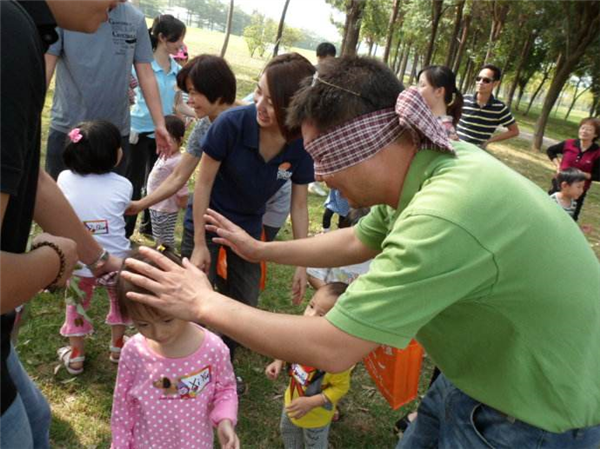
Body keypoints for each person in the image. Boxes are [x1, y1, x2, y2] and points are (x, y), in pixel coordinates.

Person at [121, 56, 600, 449]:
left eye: (326, 160)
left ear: (366, 146)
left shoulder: (444, 215)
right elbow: (358, 240)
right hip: (480, 378)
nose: (322, 177)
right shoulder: (431, 164)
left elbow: (333, 345)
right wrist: (258, 250)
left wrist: (204, 303)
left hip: (533, 417)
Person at [0, 1, 127, 447]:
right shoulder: (9, 33)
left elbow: (27, 175)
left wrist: (100, 259)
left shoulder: (23, 29)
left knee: (36, 421)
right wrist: (53, 261)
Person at [186, 53, 315, 369]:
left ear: (294, 106)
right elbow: (202, 184)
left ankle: (222, 365)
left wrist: (302, 263)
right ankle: (190, 363)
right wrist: (201, 243)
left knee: (244, 303)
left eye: (272, 101)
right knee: (197, 296)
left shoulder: (301, 145)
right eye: (259, 92)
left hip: (247, 228)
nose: (260, 105)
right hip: (207, 218)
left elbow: (299, 205)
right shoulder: (231, 124)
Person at [112, 247, 239, 449]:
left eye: (167, 319)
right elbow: (123, 405)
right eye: (143, 324)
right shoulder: (133, 351)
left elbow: (225, 389)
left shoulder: (213, 349)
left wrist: (225, 420)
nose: (159, 333)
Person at [44, 1, 172, 180]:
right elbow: (46, 65)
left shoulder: (134, 18)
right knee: (60, 196)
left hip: (115, 132)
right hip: (69, 127)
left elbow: (146, 73)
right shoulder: (68, 12)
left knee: (107, 200)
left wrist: (159, 123)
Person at [125, 54, 239, 247]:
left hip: (236, 221)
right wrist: (139, 205)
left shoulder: (244, 124)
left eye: (194, 93)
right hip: (203, 218)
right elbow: (179, 176)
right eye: (188, 93)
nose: (190, 101)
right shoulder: (204, 125)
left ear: (216, 91)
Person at [56, 120, 134, 374]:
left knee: (76, 305)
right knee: (120, 303)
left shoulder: (64, 178)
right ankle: (118, 346)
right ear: (113, 156)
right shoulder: (123, 185)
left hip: (79, 264)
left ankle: (76, 354)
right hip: (116, 262)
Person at [265, 283, 351, 449]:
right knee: (287, 430)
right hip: (291, 401)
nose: (310, 316)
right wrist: (278, 360)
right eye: (311, 306)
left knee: (314, 443)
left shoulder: (336, 359)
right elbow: (287, 348)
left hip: (315, 416)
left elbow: (341, 387)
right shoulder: (301, 336)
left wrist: (312, 402)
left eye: (321, 315)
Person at [125, 14, 186, 238]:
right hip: (138, 132)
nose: (180, 44)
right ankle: (125, 231)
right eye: (176, 39)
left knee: (160, 182)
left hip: (165, 136)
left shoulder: (177, 71)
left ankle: (150, 228)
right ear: (161, 37)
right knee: (134, 182)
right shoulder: (142, 66)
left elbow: (179, 104)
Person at [146, 115, 189, 247]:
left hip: (165, 208)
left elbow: (181, 184)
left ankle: (166, 258)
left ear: (180, 139)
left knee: (164, 239)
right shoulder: (166, 153)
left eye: (168, 138)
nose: (163, 142)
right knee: (159, 236)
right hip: (156, 206)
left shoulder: (178, 161)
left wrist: (183, 201)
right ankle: (162, 257)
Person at [546, 117, 600, 220]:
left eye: (589, 130)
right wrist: (558, 166)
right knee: (548, 211)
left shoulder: (597, 152)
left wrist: (581, 174)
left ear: (595, 134)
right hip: (559, 184)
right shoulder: (569, 143)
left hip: (577, 191)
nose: (584, 131)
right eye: (582, 128)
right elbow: (550, 151)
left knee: (569, 218)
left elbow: (598, 175)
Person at [456, 64, 519, 148]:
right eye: (478, 79)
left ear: (495, 83)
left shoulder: (500, 108)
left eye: (486, 80)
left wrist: (489, 141)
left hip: (477, 153)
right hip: (456, 146)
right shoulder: (463, 100)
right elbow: (447, 117)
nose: (480, 82)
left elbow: (514, 131)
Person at [307, 208, 371, 289]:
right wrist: (329, 295)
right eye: (351, 237)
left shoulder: (377, 261)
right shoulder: (334, 252)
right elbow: (313, 274)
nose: (356, 242)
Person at [417, 65, 462, 140]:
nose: (416, 89)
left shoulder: (447, 131)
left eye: (422, 85)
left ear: (439, 91)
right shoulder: (425, 120)